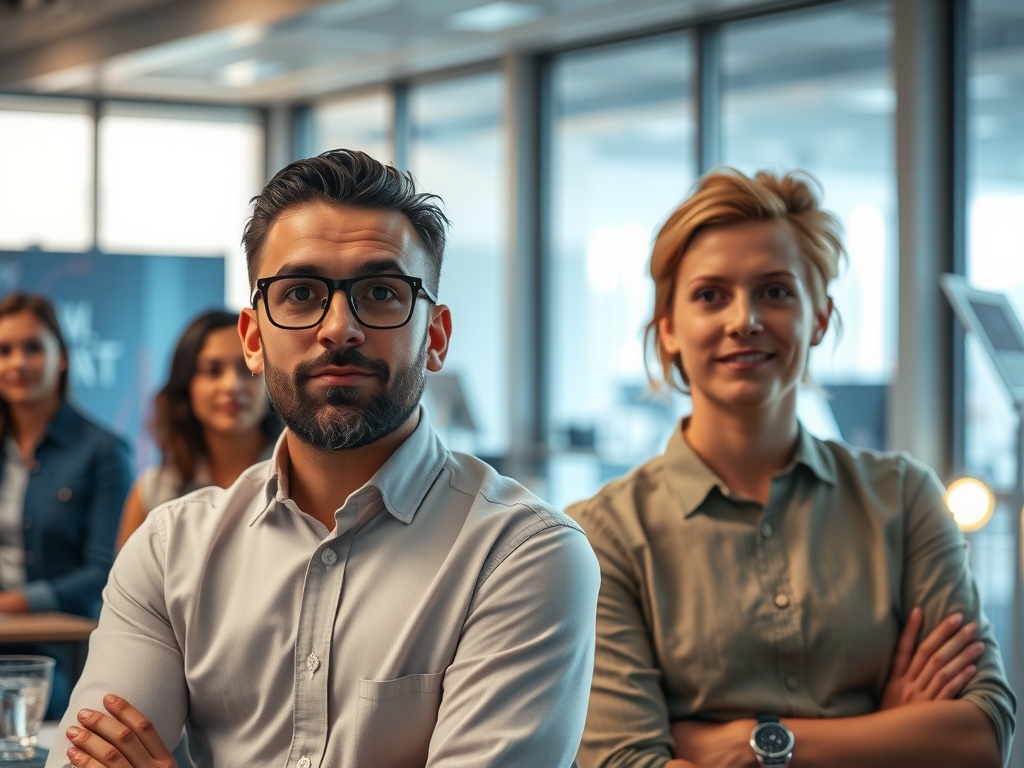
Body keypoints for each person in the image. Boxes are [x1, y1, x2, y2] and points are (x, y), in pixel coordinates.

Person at [48, 149, 600, 768]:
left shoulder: (523, 554)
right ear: (254, 339)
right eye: (302, 293)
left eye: (383, 292)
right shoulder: (171, 549)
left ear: (436, 337)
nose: (339, 328)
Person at [567, 168, 1015, 768]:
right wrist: (884, 732)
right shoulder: (603, 537)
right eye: (710, 295)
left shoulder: (904, 497)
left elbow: (980, 736)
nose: (743, 319)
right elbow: (631, 763)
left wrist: (750, 743)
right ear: (668, 327)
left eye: (776, 291)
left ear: (820, 317)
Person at [0, 292, 132, 720]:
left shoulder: (104, 451)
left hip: (61, 648)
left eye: (33, 347)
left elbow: (105, 572)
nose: (18, 362)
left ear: (60, 357)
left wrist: (16, 602)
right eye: (4, 350)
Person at [116, 309, 280, 550]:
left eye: (247, 370)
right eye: (213, 371)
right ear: (186, 386)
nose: (232, 386)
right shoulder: (153, 491)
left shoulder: (304, 480)